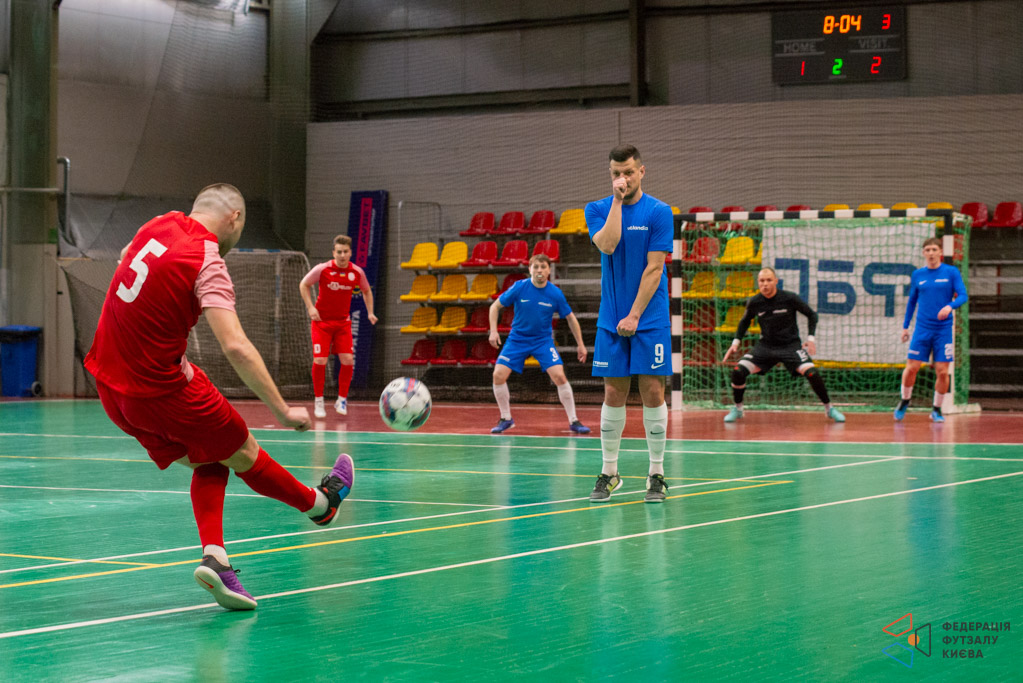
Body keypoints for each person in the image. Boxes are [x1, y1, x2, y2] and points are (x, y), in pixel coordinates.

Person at [85, 184, 354, 611]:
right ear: (235, 218)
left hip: (109, 387)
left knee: (210, 457)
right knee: (244, 451)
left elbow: (124, 260)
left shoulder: (158, 224)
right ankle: (322, 505)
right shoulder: (208, 260)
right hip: (163, 390)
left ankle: (216, 558)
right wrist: (282, 410)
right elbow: (236, 346)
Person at [584, 144, 673, 503]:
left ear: (642, 171)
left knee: (652, 391)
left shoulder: (659, 211)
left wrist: (635, 315)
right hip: (611, 318)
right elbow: (607, 246)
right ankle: (610, 472)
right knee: (613, 393)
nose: (623, 178)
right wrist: (618, 204)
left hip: (649, 317)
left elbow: (655, 268)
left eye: (629, 172)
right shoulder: (597, 209)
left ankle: (656, 473)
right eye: (616, 173)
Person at [721, 268, 845, 423]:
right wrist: (736, 342)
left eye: (769, 280)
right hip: (765, 347)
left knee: (812, 373)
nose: (765, 284)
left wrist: (811, 339)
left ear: (776, 281)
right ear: (758, 282)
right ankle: (738, 409)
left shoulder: (789, 298)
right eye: (762, 281)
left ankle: (829, 408)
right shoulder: (755, 302)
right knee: (738, 371)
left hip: (790, 346)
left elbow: (812, 315)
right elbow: (744, 321)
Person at [488, 253, 590, 435]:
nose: (539, 270)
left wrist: (580, 344)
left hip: (542, 341)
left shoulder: (555, 293)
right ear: (530, 270)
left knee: (559, 376)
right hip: (517, 339)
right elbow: (494, 306)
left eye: (543, 267)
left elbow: (571, 318)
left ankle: (574, 420)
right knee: (498, 375)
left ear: (549, 270)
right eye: (536, 267)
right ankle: (506, 418)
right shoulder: (519, 287)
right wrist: (493, 331)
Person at [299, 235, 378, 418]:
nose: (342, 255)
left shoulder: (356, 272)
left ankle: (341, 399)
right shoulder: (323, 269)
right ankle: (319, 400)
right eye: (339, 252)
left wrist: (370, 312)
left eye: (345, 252)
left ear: (350, 253)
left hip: (342, 323)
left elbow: (366, 291)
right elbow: (304, 284)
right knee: (320, 360)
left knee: (348, 360)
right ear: (333, 253)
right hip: (321, 323)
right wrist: (310, 307)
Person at [894, 237, 968, 422]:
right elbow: (912, 301)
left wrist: (950, 306)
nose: (931, 253)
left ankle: (936, 409)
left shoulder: (951, 272)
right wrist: (905, 327)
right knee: (912, 368)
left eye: (934, 249)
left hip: (943, 329)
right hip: (922, 328)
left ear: (940, 252)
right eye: (928, 250)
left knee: (942, 371)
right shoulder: (918, 275)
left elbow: (963, 295)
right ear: (923, 253)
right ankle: (905, 400)